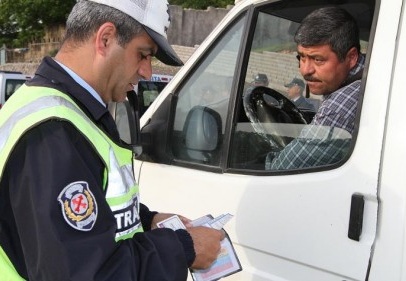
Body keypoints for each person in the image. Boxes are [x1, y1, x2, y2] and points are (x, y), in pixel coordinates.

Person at [0, 1, 224, 280]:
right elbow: (85, 273)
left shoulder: (68, 111)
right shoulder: (52, 133)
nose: (147, 72)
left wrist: (147, 220)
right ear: (105, 39)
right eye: (143, 55)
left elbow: (89, 216)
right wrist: (183, 248)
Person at [266, 6, 365, 170]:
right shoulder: (369, 70)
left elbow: (280, 169)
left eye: (318, 59)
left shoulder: (337, 111)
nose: (305, 70)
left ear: (351, 57)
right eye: (302, 57)